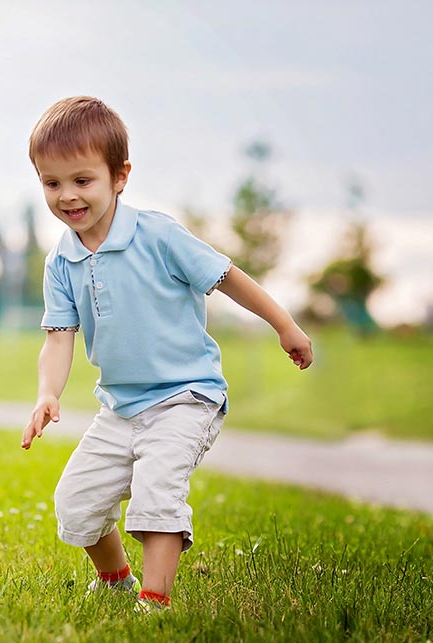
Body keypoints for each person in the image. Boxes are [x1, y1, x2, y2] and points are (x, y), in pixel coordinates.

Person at [20, 96, 312, 611]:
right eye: (52, 183)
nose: (67, 196)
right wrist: (48, 392)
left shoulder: (157, 235)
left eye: (82, 180)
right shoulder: (61, 261)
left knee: (157, 493)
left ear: (120, 176)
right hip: (120, 406)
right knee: (76, 502)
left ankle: (154, 603)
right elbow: (59, 336)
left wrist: (284, 325)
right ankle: (116, 581)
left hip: (186, 396)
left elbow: (227, 278)